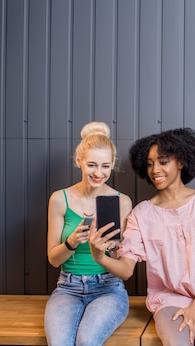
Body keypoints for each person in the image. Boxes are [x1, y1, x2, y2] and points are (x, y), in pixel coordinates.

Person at [90, 127, 195, 346]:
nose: (155, 170)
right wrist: (100, 257)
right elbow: (126, 270)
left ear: (181, 162)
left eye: (162, 161)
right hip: (169, 298)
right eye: (150, 164)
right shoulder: (141, 214)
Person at [44, 121, 133, 346]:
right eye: (92, 165)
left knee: (87, 341)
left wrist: (105, 251)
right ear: (79, 161)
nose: (98, 173)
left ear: (113, 164)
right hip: (68, 288)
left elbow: (125, 266)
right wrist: (71, 243)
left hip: (108, 289)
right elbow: (54, 260)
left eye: (105, 166)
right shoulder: (59, 199)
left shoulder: (122, 202)